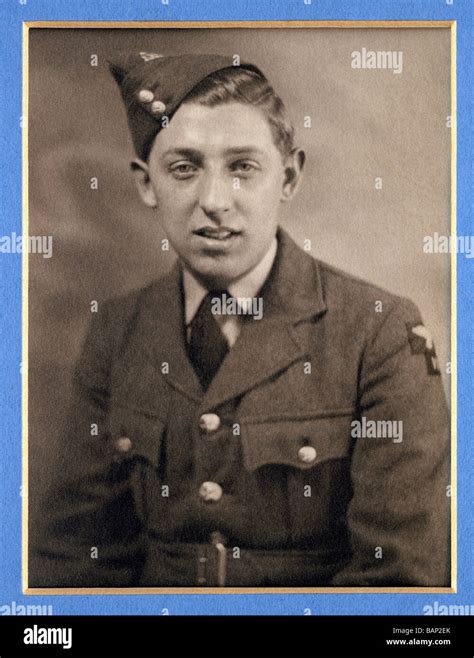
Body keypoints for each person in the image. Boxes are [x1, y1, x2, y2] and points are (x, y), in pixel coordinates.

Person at [30, 51, 450, 588]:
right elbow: (76, 558)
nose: (214, 201)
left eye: (242, 167)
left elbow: (400, 577)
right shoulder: (118, 329)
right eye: (184, 168)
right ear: (145, 184)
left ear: (289, 177)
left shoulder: (378, 332)